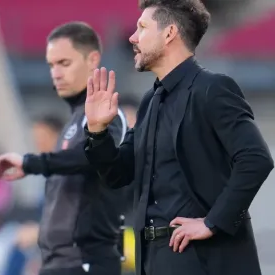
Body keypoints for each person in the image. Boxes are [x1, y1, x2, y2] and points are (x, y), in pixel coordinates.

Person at [82, 1, 274, 275]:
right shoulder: (150, 101)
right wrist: (98, 131)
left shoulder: (213, 89)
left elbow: (256, 159)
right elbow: (118, 174)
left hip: (202, 259)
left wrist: (212, 222)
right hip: (152, 259)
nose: (132, 37)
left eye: (142, 27)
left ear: (169, 33)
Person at [0, 22, 128, 275]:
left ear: (93, 60)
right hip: (59, 261)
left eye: (64, 63)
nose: (55, 73)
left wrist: (30, 163)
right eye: (51, 65)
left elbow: (90, 157)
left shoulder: (106, 116)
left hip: (86, 260)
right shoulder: (73, 121)